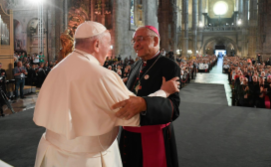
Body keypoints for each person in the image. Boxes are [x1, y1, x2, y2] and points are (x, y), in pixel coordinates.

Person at [33, 21, 180, 167]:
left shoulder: (58, 68)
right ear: (97, 45)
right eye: (108, 45)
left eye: (141, 39)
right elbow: (131, 110)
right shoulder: (103, 74)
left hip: (53, 155)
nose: (135, 44)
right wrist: (164, 92)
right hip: (86, 159)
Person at [112, 26, 181, 167]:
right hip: (128, 135)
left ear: (155, 41)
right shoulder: (136, 65)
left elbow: (174, 109)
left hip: (152, 137)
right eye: (134, 40)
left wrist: (145, 104)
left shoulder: (169, 66)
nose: (136, 44)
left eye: (140, 39)